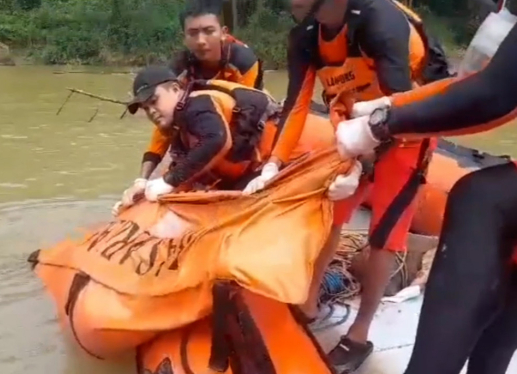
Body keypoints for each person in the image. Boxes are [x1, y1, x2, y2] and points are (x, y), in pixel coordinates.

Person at [241, 0, 451, 370]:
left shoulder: (379, 22)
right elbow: (296, 104)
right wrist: (273, 164)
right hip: (354, 127)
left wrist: (362, 165)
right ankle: (308, 301)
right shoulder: (306, 35)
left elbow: (399, 109)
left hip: (407, 130)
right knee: (333, 213)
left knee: (384, 233)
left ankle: (359, 334)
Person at [334, 4, 517, 372]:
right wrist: (391, 107)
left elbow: (493, 94)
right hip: (386, 130)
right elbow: (476, 84)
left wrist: (383, 123)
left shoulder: (381, 24)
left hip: (402, 147)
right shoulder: (307, 40)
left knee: (479, 198)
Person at [118, 1, 265, 213]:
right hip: (201, 115)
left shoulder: (243, 61)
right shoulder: (178, 69)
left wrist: (178, 177)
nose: (201, 41)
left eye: (208, 31)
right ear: (184, 38)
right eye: (193, 33)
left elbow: (248, 112)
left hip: (243, 108)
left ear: (223, 33)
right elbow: (165, 122)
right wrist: (143, 179)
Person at [113, 65, 282, 214]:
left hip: (284, 153)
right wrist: (143, 185)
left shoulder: (197, 105)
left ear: (174, 89)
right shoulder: (178, 123)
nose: (151, 111)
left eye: (154, 101)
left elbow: (217, 140)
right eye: (145, 108)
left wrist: (169, 181)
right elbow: (187, 161)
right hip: (250, 167)